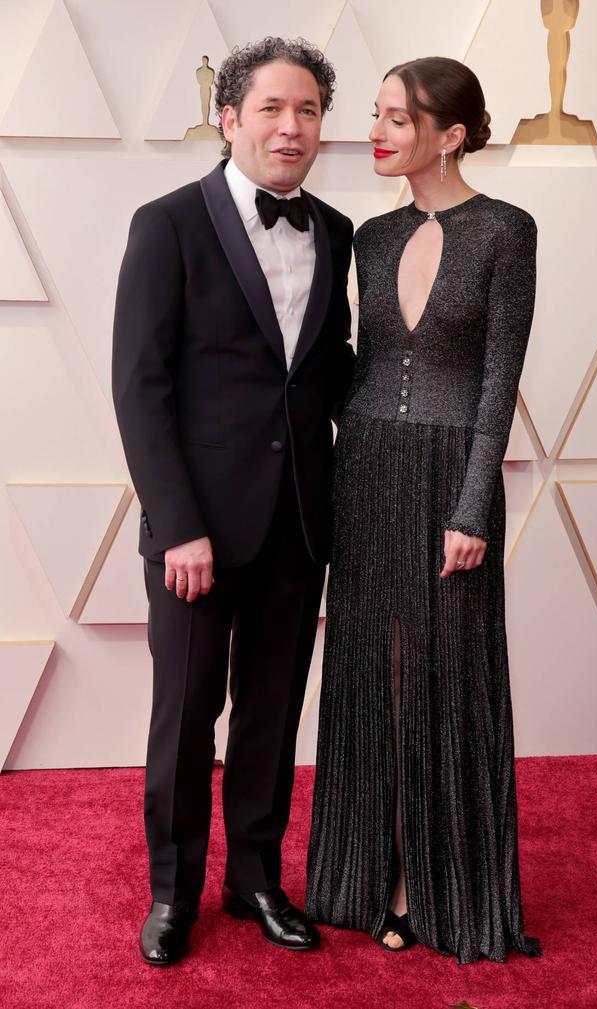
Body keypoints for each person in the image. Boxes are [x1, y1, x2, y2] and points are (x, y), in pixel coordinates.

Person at [112, 37, 355, 966]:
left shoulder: (333, 232)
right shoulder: (167, 223)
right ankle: (173, 892)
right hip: (197, 532)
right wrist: (178, 525)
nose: (290, 128)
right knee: (184, 718)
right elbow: (141, 387)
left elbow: (324, 375)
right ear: (229, 118)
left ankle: (255, 877)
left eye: (307, 112)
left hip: (299, 521)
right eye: (271, 110)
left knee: (272, 711)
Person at [305, 56, 543, 964]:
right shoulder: (369, 233)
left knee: (448, 673)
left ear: (449, 134)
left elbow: (498, 380)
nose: (376, 131)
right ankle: (366, 876)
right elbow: (354, 366)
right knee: (371, 667)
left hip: (452, 469)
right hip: (365, 465)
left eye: (397, 119)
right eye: (376, 115)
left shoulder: (506, 232)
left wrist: (474, 508)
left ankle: (449, 886)